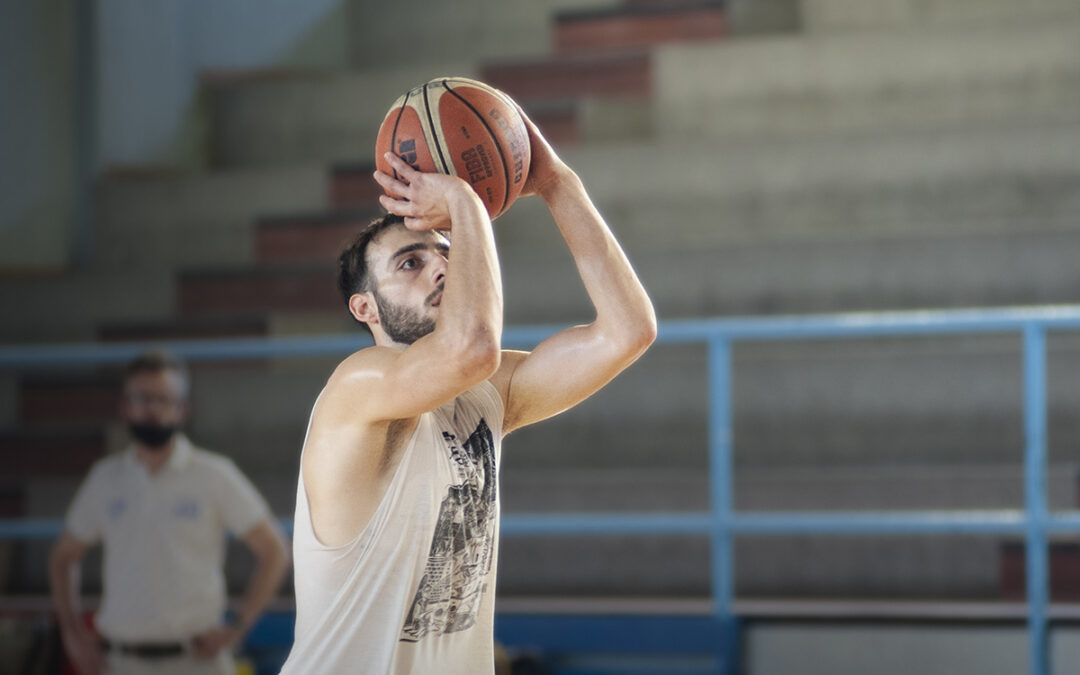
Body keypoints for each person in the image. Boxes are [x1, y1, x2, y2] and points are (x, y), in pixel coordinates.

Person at [279, 107, 656, 675]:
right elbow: (472, 346)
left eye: (445, 255)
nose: (439, 270)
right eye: (410, 262)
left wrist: (557, 183)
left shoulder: (486, 393)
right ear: (364, 308)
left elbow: (628, 331)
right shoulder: (356, 387)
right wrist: (462, 203)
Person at [48, 351, 291, 675]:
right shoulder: (105, 480)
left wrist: (239, 625)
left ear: (182, 410)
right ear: (125, 407)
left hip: (197, 661)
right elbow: (63, 556)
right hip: (121, 662)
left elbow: (274, 550)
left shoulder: (214, 475)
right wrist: (72, 633)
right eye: (141, 398)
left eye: (162, 399)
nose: (150, 409)